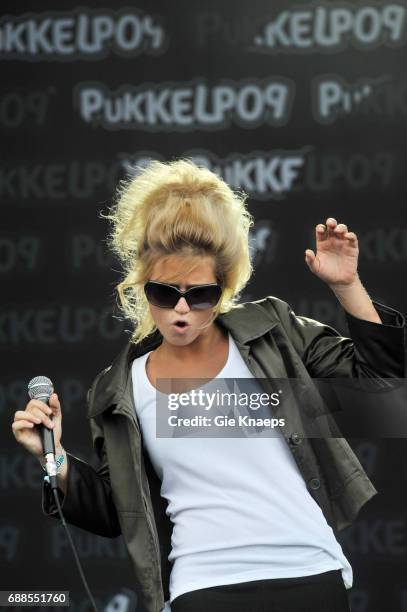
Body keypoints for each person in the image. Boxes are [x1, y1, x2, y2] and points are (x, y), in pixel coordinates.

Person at [12, 159, 406, 612]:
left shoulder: (273, 333)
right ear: (141, 288)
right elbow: (120, 509)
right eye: (165, 293)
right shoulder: (120, 387)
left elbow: (382, 388)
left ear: (223, 288)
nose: (182, 310)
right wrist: (54, 458)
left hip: (307, 572)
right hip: (202, 586)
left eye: (199, 295)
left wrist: (347, 285)